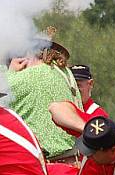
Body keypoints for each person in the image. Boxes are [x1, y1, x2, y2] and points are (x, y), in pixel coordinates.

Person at [5, 31, 82, 161]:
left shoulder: (27, 77)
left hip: (52, 164)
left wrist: (11, 73)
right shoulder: (66, 73)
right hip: (75, 158)